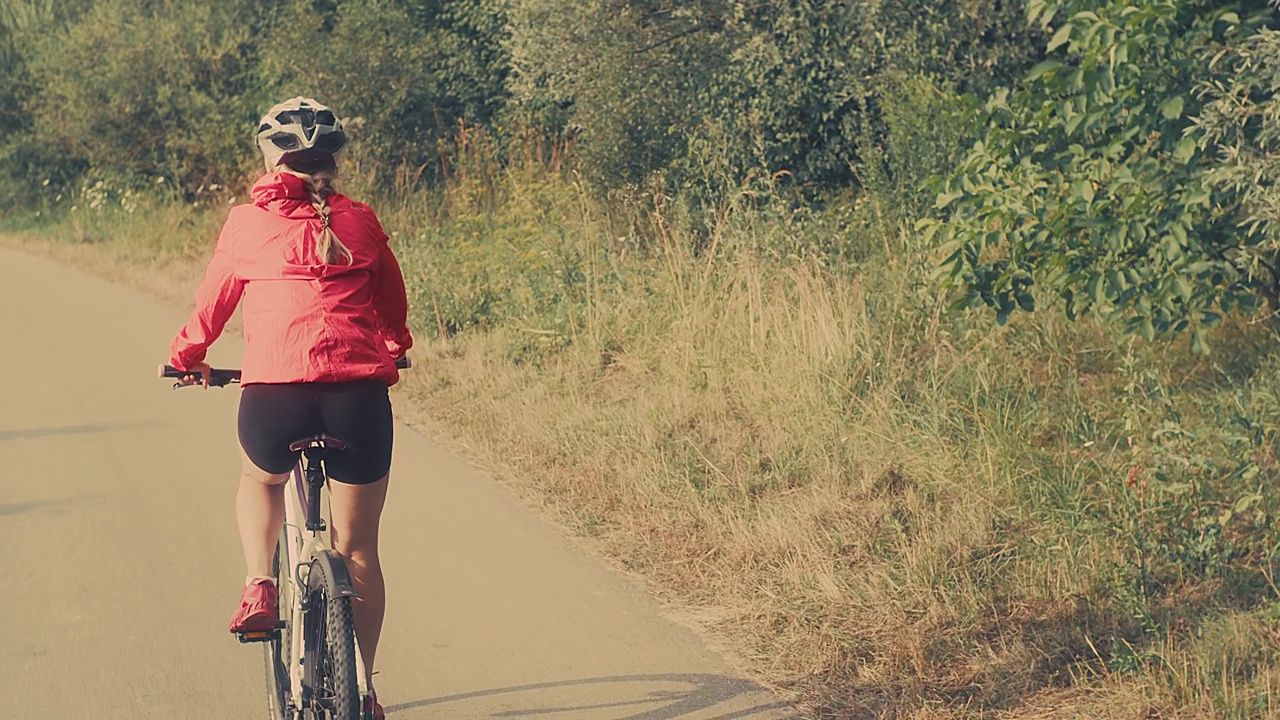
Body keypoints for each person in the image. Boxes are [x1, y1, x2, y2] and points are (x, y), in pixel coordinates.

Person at [168, 96, 412, 720]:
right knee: (359, 549)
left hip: (274, 398)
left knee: (260, 477)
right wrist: (394, 347)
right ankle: (363, 687)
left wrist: (187, 356)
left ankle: (259, 582)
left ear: (270, 157)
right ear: (335, 159)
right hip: (358, 402)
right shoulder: (360, 220)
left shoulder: (246, 224)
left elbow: (213, 302)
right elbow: (392, 302)